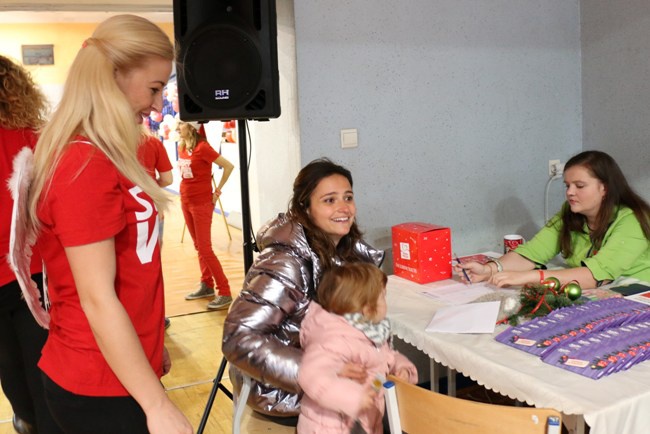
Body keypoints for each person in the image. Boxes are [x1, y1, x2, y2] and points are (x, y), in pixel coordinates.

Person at [17, 15, 192, 434]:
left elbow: (131, 273)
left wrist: (150, 346)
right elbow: (96, 297)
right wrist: (157, 405)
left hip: (120, 367)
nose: (156, 105)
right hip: (96, 381)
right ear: (112, 76)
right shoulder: (83, 162)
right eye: (153, 89)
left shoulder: (105, 154)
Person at [222, 158, 385, 418]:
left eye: (348, 197)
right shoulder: (285, 262)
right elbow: (239, 339)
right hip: (283, 391)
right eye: (329, 200)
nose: (344, 208)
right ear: (306, 208)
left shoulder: (346, 250)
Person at [456, 150, 650, 290]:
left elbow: (594, 276)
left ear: (605, 188)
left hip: (636, 298)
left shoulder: (632, 220)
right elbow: (532, 253)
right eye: (567, 185)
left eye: (579, 185)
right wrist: (489, 268)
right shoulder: (570, 212)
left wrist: (528, 277)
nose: (570, 192)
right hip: (595, 294)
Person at [0, 55, 63, 434]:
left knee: (7, 363)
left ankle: (27, 421)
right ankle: (44, 423)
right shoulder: (34, 136)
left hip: (23, 270)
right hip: (31, 270)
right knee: (40, 357)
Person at [297, 262, 417, 434]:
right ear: (367, 309)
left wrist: (403, 368)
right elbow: (311, 374)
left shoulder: (369, 332)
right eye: (383, 297)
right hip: (331, 427)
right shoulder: (335, 339)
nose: (386, 302)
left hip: (365, 421)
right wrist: (352, 397)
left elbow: (385, 356)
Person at [177, 120, 235, 310]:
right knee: (198, 247)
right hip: (186, 201)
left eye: (181, 124)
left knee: (205, 248)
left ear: (191, 128)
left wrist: (217, 192)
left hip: (201, 204)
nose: (178, 127)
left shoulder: (203, 148)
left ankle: (225, 292)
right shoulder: (182, 147)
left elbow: (228, 166)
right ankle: (207, 285)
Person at [137, 129, 173, 329]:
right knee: (153, 267)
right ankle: (157, 317)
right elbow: (167, 179)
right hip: (150, 211)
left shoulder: (111, 140)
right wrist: (150, 188)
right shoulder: (152, 143)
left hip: (121, 213)